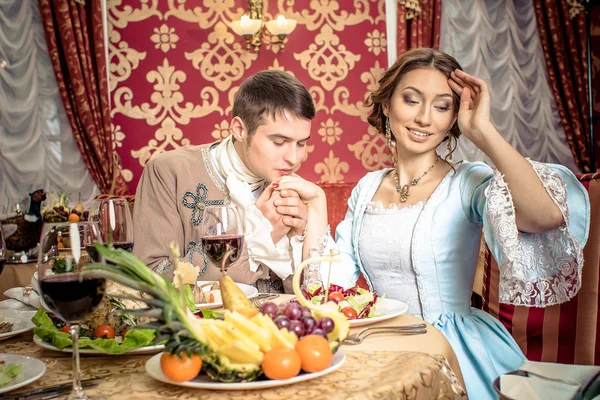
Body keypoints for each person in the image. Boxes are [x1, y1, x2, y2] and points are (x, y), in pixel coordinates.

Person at [280, 48, 590, 399]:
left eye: (442, 106)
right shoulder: (367, 188)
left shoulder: (468, 182)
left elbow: (546, 216)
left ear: (454, 118)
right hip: (379, 344)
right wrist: (316, 210)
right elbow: (325, 291)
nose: (425, 118)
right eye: (411, 100)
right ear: (387, 105)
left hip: (452, 348)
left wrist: (483, 131)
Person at [133, 70, 327, 293]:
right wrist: (256, 240)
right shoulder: (169, 171)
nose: (294, 158)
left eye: (301, 144)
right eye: (279, 142)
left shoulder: (292, 187)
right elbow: (149, 277)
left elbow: (314, 297)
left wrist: (301, 236)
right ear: (240, 129)